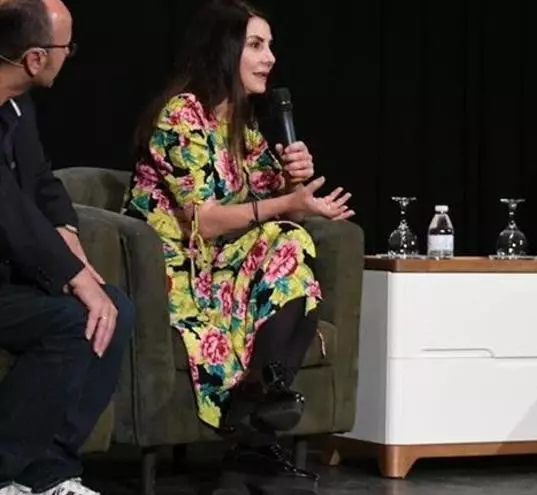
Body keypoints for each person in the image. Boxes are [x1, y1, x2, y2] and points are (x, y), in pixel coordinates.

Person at [121, 0, 354, 488]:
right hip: (177, 268)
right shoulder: (181, 116)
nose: (270, 57)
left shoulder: (243, 128)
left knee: (292, 250)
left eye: (270, 46)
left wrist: (296, 183)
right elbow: (204, 222)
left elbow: (282, 209)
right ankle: (257, 431)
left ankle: (260, 406)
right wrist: (288, 203)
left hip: (223, 263)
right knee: (287, 242)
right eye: (256, 45)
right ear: (223, 51)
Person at [0, 0, 136, 494]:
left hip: (10, 276)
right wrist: (75, 277)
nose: (69, 56)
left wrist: (68, 233)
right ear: (35, 58)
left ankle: (50, 471)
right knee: (75, 318)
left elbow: (42, 182)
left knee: (115, 308)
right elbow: (8, 211)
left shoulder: (17, 106)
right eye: (66, 47)